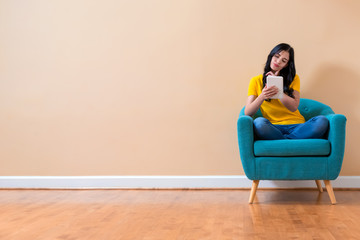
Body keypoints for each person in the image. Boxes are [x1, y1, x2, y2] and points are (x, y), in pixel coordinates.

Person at [244, 43, 329, 140]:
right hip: (273, 127)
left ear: (286, 64)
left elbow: (293, 107)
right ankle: (291, 139)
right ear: (271, 56)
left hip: (297, 126)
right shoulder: (256, 81)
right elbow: (248, 112)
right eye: (276, 56)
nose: (278, 61)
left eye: (283, 60)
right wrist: (262, 96)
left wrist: (278, 91)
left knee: (322, 121)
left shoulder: (293, 79)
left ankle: (284, 139)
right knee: (259, 123)